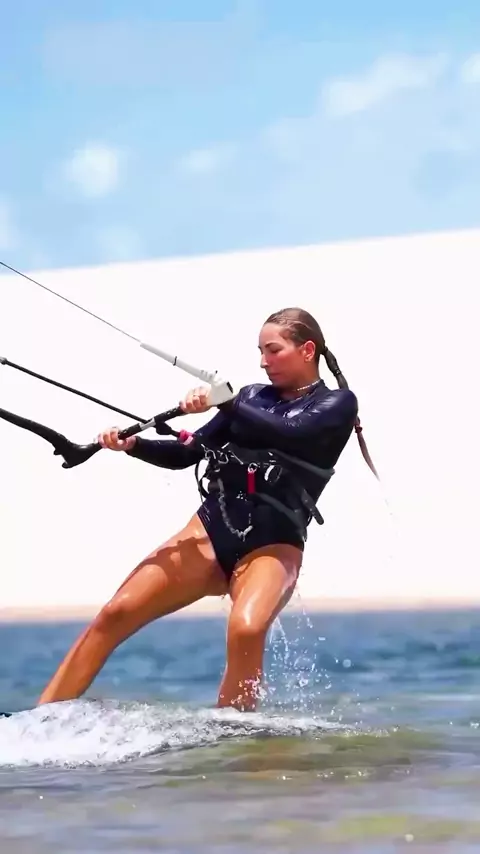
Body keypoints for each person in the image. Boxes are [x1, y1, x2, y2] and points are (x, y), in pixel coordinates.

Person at [37, 307, 376, 712]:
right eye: (260, 352)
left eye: (273, 350)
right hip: (212, 529)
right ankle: (40, 721)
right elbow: (187, 453)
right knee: (116, 612)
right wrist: (133, 445)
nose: (263, 361)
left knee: (246, 629)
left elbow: (291, 432)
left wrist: (224, 404)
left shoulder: (338, 404)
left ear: (307, 350)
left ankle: (235, 732)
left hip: (273, 543)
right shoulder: (251, 396)